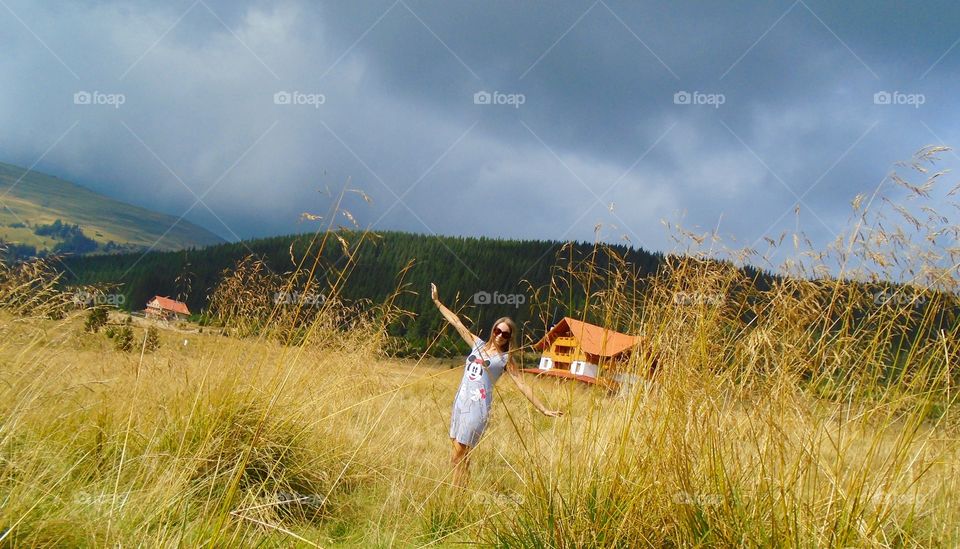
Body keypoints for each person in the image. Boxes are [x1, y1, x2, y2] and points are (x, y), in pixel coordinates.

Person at [430, 282, 562, 488]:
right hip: (461, 402)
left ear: (510, 337)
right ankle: (461, 493)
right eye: (498, 331)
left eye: (505, 334)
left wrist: (543, 408)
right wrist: (438, 302)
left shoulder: (505, 359)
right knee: (460, 455)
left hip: (477, 408)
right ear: (493, 330)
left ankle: (454, 497)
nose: (500, 335)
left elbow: (521, 384)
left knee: (458, 454)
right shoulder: (477, 344)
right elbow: (456, 322)